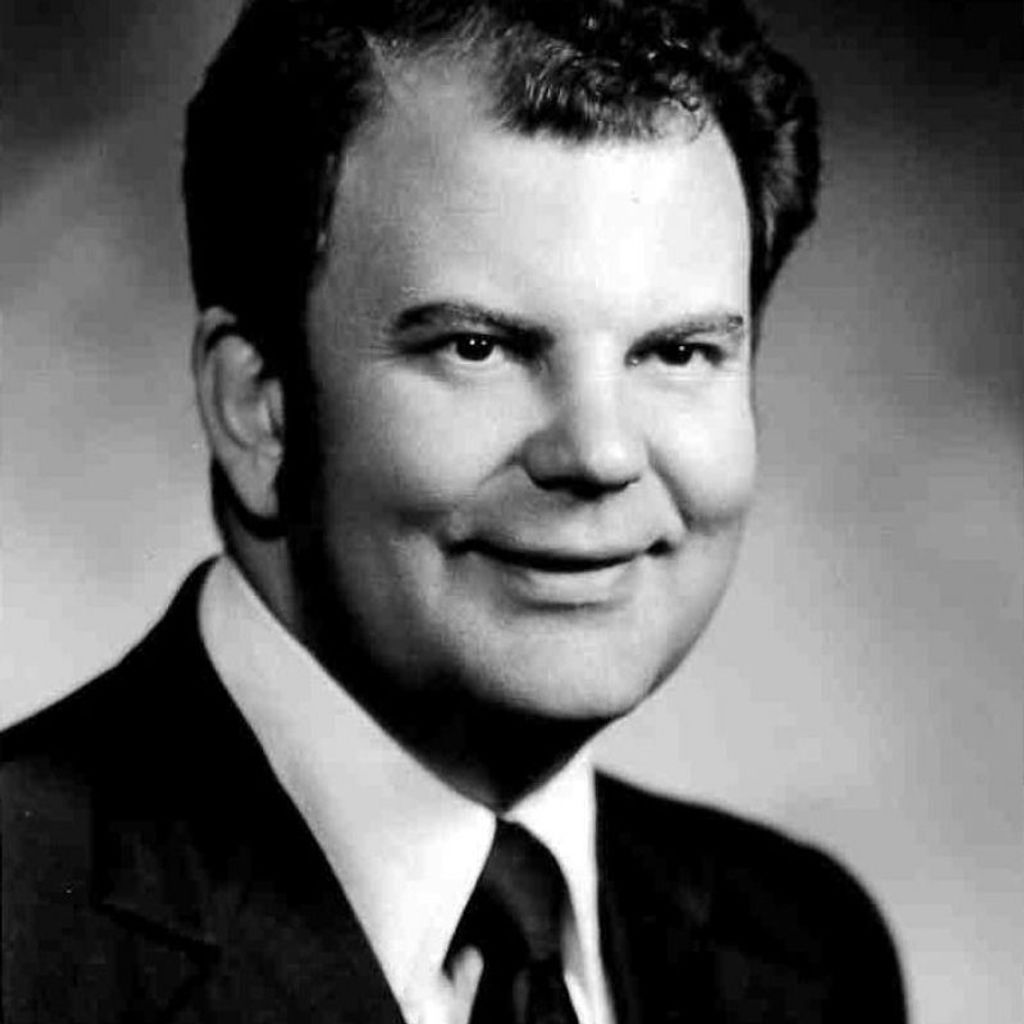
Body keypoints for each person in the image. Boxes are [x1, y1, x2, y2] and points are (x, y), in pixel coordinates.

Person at [0, 1, 907, 1021]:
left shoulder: (807, 953)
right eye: (478, 348)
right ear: (260, 409)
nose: (600, 454)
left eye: (678, 352)